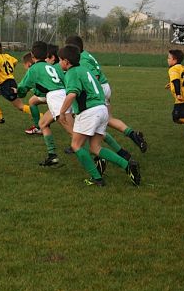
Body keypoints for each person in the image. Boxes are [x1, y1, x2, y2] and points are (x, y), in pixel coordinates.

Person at [58, 45, 141, 187]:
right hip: (102, 109)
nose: (59, 63)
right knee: (95, 147)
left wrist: (62, 113)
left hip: (90, 112)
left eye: (60, 60)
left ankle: (97, 178)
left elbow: (72, 94)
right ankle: (127, 165)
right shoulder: (85, 70)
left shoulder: (71, 73)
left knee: (76, 145)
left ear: (66, 61)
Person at [65, 35, 147, 153]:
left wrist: (92, 92)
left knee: (89, 115)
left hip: (99, 89)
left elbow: (95, 76)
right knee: (108, 119)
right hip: (104, 87)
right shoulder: (85, 55)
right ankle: (133, 135)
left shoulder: (82, 60)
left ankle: (79, 144)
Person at [17, 41, 75, 167]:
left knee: (75, 135)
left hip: (57, 100)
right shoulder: (54, 67)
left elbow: (22, 88)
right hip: (63, 97)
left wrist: (17, 92)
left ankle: (98, 159)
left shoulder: (34, 69)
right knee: (43, 123)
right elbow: (65, 82)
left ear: (32, 55)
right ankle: (52, 156)